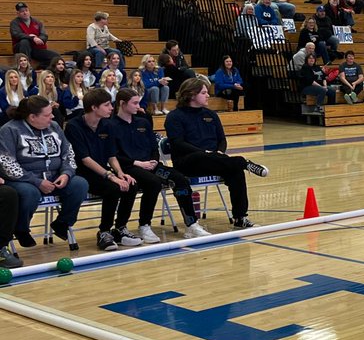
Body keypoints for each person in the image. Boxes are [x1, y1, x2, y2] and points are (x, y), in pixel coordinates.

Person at [164, 77, 269, 229]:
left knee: (236, 171)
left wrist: (218, 152)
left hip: (213, 160)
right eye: (204, 92)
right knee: (210, 157)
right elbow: (177, 143)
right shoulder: (175, 117)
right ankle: (244, 162)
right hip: (188, 161)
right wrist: (204, 152)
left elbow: (222, 139)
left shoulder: (210, 115)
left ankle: (240, 217)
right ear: (192, 94)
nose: (208, 96)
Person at [0, 96, 89, 249]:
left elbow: (68, 153)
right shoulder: (9, 130)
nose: (53, 117)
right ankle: (21, 229)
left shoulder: (54, 126)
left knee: (80, 184)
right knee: (30, 193)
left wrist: (66, 173)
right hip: (24, 180)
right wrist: (37, 182)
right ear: (32, 117)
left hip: (55, 176)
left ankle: (63, 223)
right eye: (47, 115)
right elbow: (7, 164)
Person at [63, 89, 142, 251]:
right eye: (106, 105)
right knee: (113, 188)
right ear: (93, 107)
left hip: (102, 169)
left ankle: (120, 228)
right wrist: (111, 176)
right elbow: (85, 159)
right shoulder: (73, 126)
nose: (111, 108)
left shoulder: (107, 124)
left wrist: (120, 173)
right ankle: (104, 232)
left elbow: (111, 155)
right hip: (82, 173)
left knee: (130, 184)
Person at [296, 52, 335, 121]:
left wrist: (325, 85)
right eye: (310, 58)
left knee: (332, 90)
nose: (312, 60)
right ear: (307, 59)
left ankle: (330, 107)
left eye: (313, 58)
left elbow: (324, 78)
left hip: (319, 86)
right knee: (321, 90)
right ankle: (317, 107)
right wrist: (321, 87)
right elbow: (310, 81)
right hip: (307, 87)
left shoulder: (317, 67)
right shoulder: (305, 67)